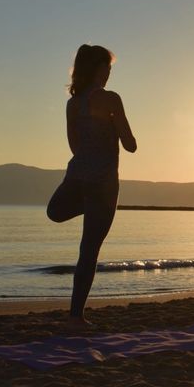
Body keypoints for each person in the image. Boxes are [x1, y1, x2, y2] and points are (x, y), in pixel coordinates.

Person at [47, 44, 137, 329]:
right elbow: (131, 144)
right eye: (108, 68)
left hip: (77, 177)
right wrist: (113, 125)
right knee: (88, 251)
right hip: (103, 185)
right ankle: (76, 318)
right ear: (98, 69)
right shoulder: (111, 99)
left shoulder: (73, 104)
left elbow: (74, 145)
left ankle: (76, 317)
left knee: (55, 212)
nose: (109, 74)